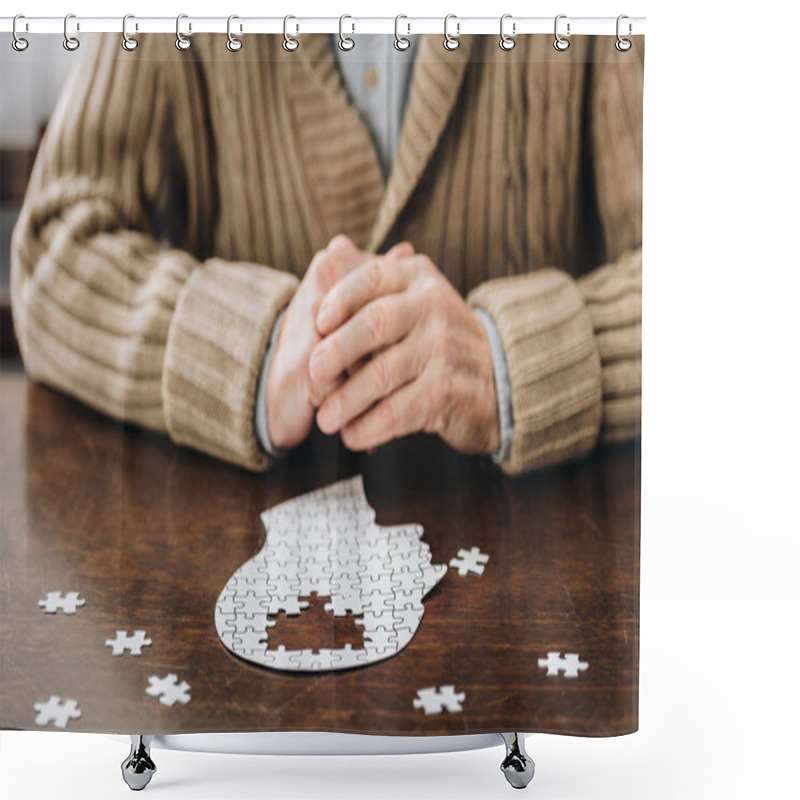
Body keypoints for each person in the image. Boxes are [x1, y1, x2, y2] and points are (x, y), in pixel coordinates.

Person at [11, 32, 642, 476]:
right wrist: (253, 351)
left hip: (544, 554)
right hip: (228, 551)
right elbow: (51, 252)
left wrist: (505, 364)